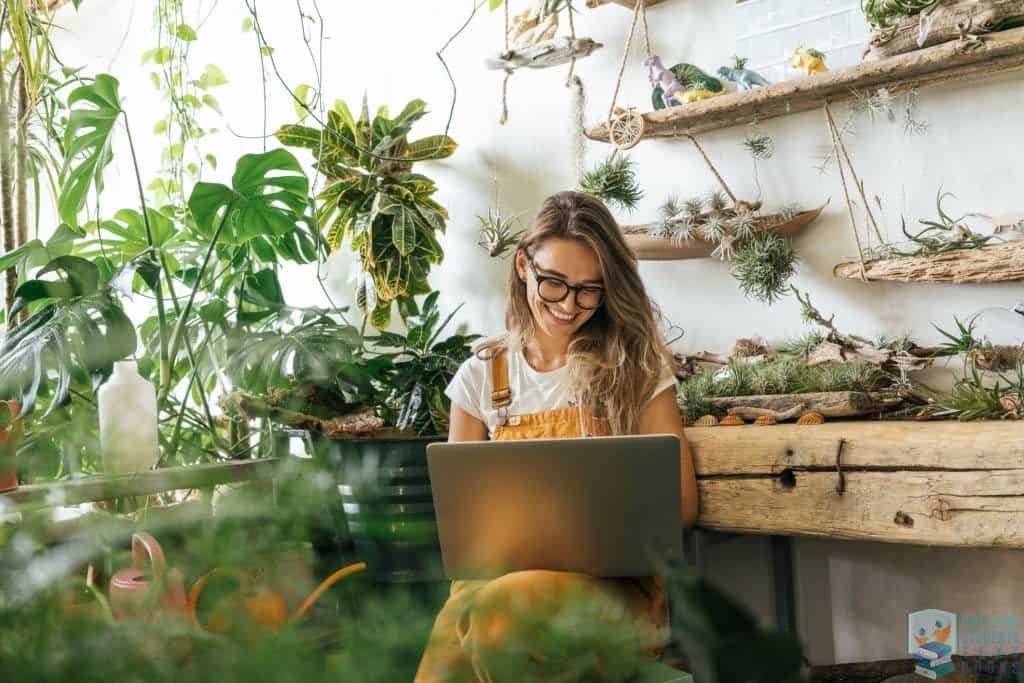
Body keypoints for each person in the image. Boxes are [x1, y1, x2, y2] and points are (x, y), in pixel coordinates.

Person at [414, 191, 699, 683]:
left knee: (502, 618)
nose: (570, 305)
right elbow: (462, 525)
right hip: (486, 588)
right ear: (524, 265)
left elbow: (682, 505)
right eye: (554, 284)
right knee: (453, 658)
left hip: (612, 592)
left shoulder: (638, 371)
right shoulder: (480, 377)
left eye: (590, 290)